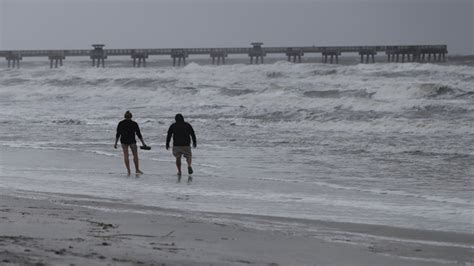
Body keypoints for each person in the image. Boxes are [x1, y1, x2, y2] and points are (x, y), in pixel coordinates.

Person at [114, 111, 147, 176]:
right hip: (132, 140)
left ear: (125, 116)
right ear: (131, 116)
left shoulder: (121, 123)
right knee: (135, 155)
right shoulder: (134, 123)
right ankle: (137, 169)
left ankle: (128, 171)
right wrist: (143, 143)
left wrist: (115, 143)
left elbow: (118, 134)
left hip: (123, 140)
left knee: (126, 155)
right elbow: (138, 134)